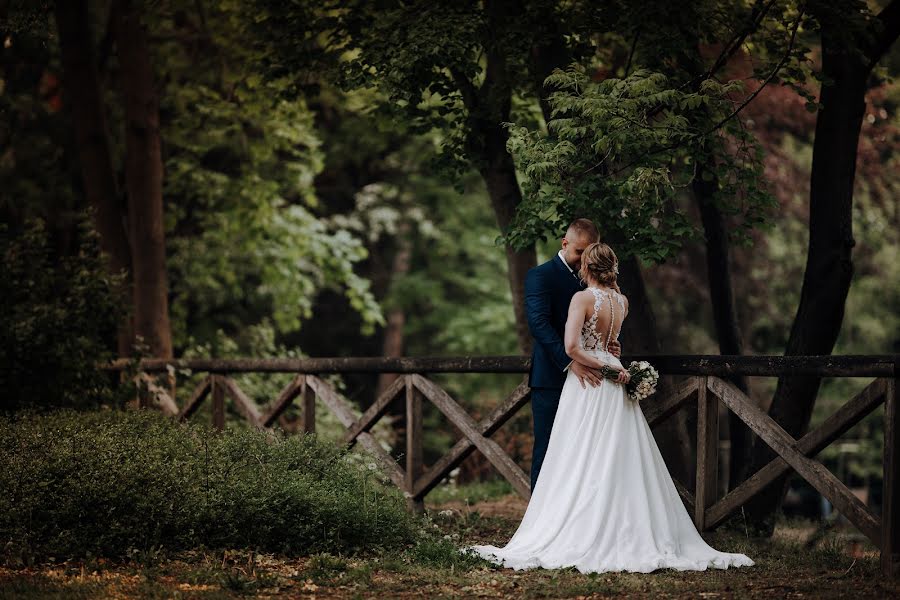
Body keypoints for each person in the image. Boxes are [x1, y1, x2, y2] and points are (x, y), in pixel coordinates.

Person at [468, 242, 754, 573]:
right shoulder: (622, 301)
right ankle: (624, 524)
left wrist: (605, 370)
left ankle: (581, 525)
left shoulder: (583, 298)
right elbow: (611, 343)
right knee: (616, 454)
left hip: (593, 379)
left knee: (578, 453)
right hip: (614, 372)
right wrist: (614, 364)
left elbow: (572, 347)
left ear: (586, 267)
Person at [523, 218, 620, 491]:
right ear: (564, 243)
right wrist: (570, 361)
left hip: (594, 383)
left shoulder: (597, 281)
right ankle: (540, 523)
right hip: (552, 377)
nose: (584, 260)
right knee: (549, 448)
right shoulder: (540, 276)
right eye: (579, 252)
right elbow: (538, 324)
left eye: (589, 253)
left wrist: (608, 344)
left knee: (588, 454)